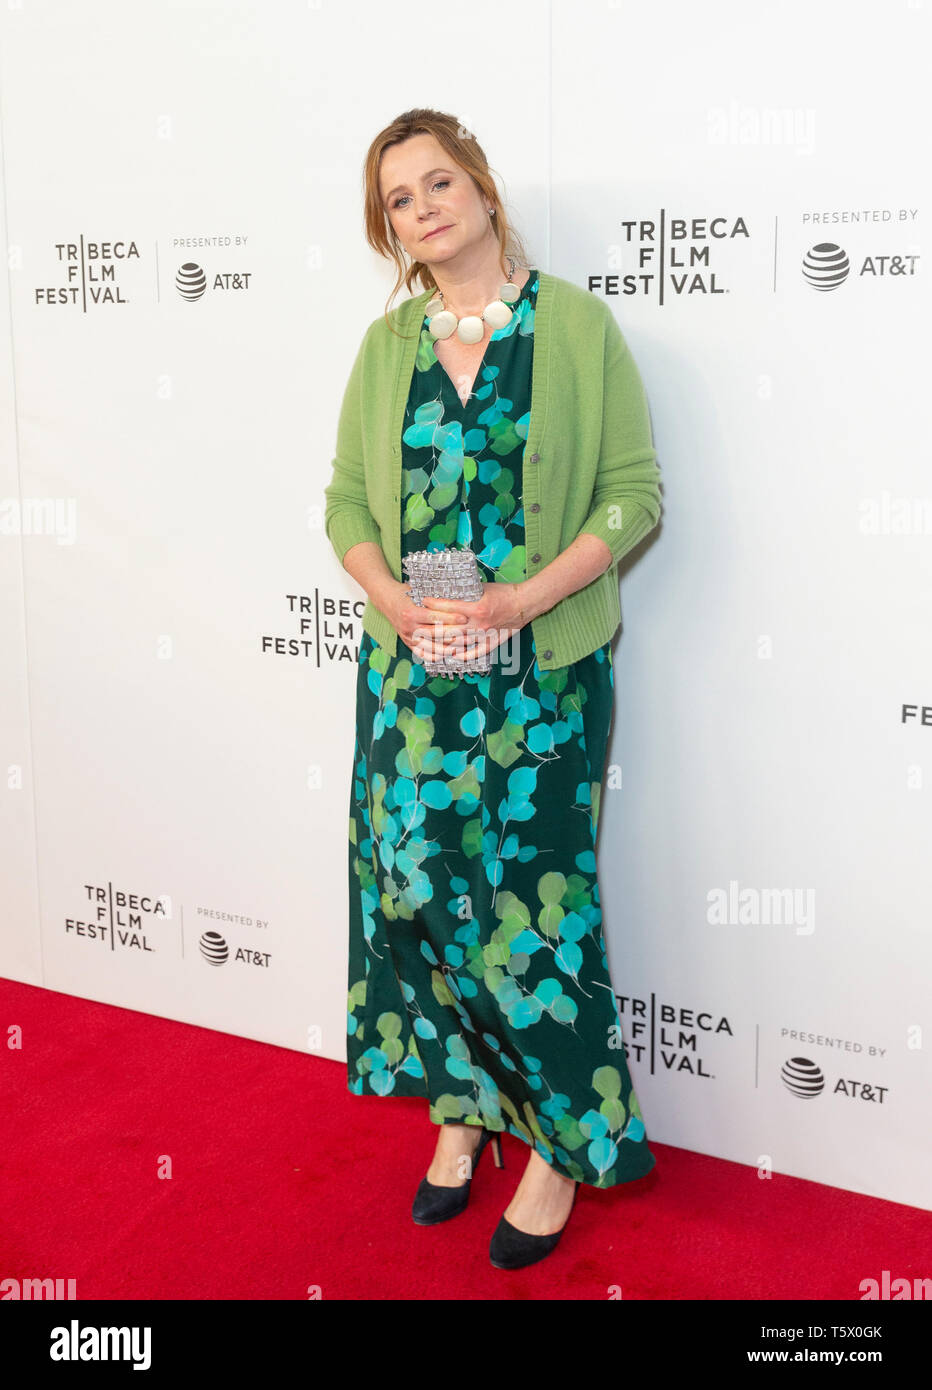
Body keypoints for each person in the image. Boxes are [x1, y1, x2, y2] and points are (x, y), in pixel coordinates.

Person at [324, 108, 663, 1271]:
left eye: (436, 181)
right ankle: (461, 1109)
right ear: (392, 233)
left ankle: (560, 1148)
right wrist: (390, 596)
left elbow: (631, 497)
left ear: (479, 183)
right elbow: (344, 508)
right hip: (412, 677)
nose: (424, 207)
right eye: (399, 201)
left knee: (536, 908)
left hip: (542, 680)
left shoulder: (572, 327)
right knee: (415, 895)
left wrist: (525, 599)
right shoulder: (387, 349)